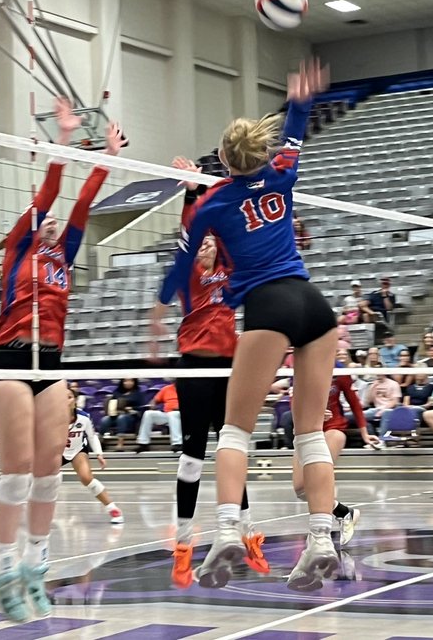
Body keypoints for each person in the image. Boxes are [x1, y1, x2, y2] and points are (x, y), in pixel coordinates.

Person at [152, 60, 342, 592]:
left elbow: (180, 264)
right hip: (314, 305)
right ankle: (321, 541)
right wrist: (300, 98)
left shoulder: (213, 203)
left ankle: (228, 534)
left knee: (234, 432)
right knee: (311, 437)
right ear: (258, 152)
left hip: (270, 306)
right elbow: (298, 129)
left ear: (222, 160)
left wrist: (165, 301)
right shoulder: (282, 172)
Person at [0, 99, 123, 623]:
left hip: (51, 364)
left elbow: (82, 204)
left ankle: (36, 568)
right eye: (45, 220)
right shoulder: (20, 249)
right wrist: (63, 143)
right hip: (8, 360)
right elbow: (52, 193)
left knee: (50, 474)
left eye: (54, 223)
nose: (53, 222)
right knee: (16, 471)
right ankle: (2, 568)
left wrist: (105, 157)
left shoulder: (63, 255)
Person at [164, 157, 269, 589]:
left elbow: (226, 233)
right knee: (192, 457)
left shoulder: (227, 273)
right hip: (192, 367)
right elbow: (193, 229)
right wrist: (191, 193)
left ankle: (247, 536)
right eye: (202, 244)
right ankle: (184, 546)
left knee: (231, 452)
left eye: (212, 244)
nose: (208, 246)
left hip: (228, 367)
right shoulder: (190, 275)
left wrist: (230, 181)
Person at [291, 368, 374, 548]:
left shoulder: (338, 372)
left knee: (317, 482)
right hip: (306, 430)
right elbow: (295, 402)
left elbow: (355, 404)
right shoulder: (298, 370)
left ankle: (322, 536)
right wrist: (312, 414)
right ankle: (345, 513)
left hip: (333, 429)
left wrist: (365, 434)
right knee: (300, 489)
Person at [62, 388, 124, 524]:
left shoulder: (84, 417)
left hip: (77, 449)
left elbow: (92, 436)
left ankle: (113, 509)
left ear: (75, 400)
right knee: (42, 477)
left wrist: (99, 454)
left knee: (86, 478)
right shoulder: (50, 417)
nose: (66, 400)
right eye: (62, 397)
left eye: (69, 397)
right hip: (56, 451)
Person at [135, 382, 182, 452]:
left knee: (173, 414)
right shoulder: (166, 389)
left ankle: (177, 443)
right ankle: (143, 443)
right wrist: (153, 404)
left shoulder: (189, 389)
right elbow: (154, 400)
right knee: (148, 413)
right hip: (167, 414)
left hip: (183, 414)